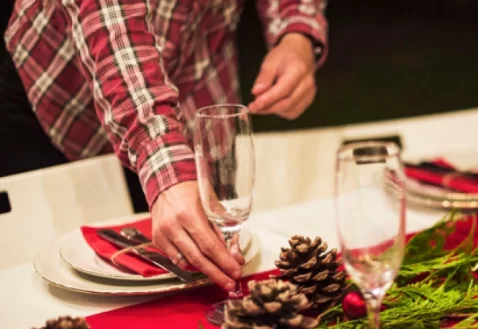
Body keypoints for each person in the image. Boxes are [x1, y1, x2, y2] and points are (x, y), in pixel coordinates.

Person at [1, 0, 328, 291]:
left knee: (190, 268)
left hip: (196, 80)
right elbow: (112, 22)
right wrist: (162, 160)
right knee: (51, 281)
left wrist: (297, 31)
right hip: (59, 96)